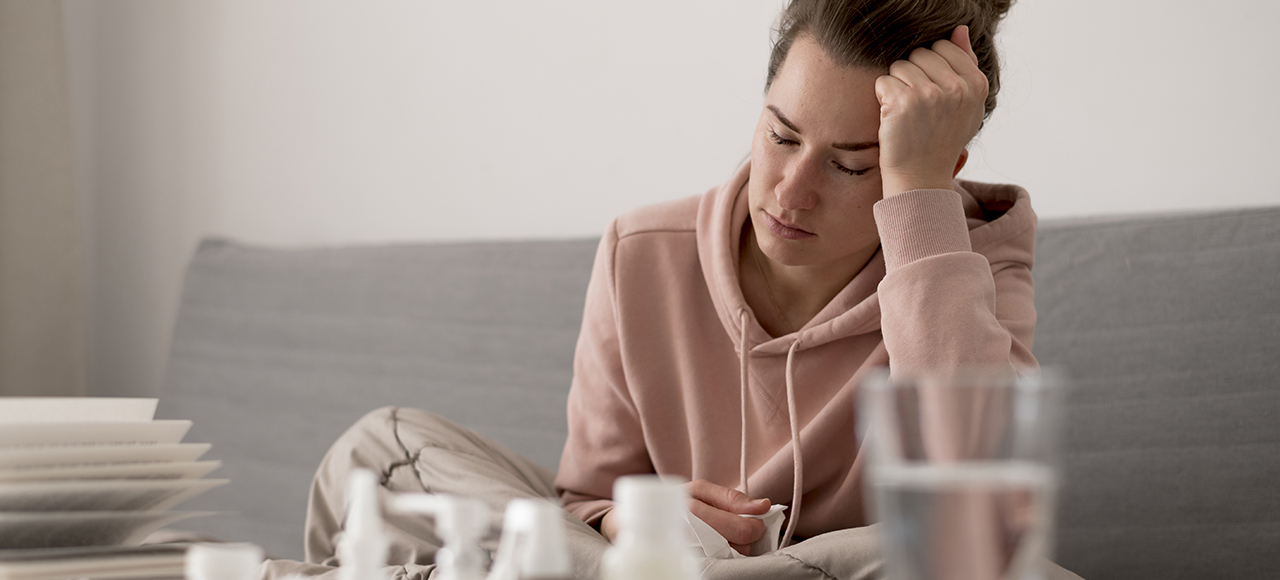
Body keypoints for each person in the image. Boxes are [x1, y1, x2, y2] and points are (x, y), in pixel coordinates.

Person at [258, 0, 1084, 579]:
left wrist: (919, 208)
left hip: (840, 572)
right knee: (381, 448)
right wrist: (629, 518)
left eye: (851, 165)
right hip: (642, 570)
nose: (790, 191)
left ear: (934, 171)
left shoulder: (970, 257)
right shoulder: (640, 252)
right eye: (780, 134)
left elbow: (979, 508)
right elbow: (582, 497)